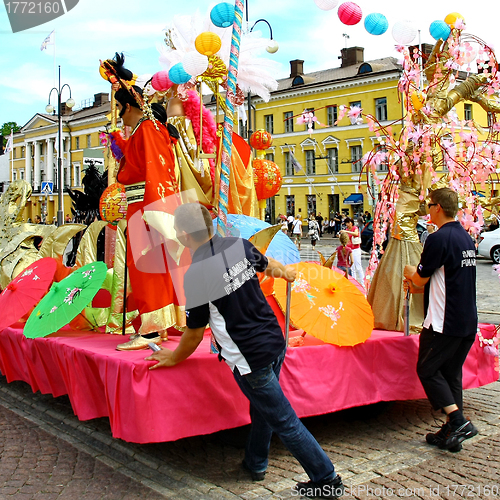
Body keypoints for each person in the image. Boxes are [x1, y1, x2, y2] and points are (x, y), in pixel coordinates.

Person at [146, 203, 344, 499]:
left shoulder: (197, 274)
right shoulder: (239, 245)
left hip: (250, 355)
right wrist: (284, 272)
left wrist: (171, 357)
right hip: (275, 341)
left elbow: (193, 334)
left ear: (185, 235)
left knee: (284, 420)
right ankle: (256, 461)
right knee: (263, 410)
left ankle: (325, 478)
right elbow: (269, 265)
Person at [404, 188, 478, 452]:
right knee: (450, 373)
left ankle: (458, 420)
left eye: (429, 205)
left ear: (437, 208)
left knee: (427, 369)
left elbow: (421, 278)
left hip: (443, 322)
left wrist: (410, 272)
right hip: (467, 319)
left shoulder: (438, 238)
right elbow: (446, 277)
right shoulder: (465, 237)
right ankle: (451, 430)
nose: (427, 210)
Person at [112, 80, 185, 351]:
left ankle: (152, 330)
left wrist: (158, 213)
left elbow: (156, 171)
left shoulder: (147, 128)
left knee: (147, 269)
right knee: (149, 268)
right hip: (145, 205)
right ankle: (157, 325)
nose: (119, 113)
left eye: (119, 107)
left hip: (147, 207)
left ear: (129, 106)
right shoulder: (149, 128)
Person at [341, 218, 364, 285]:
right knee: (352, 267)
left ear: (351, 222)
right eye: (346, 223)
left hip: (356, 249)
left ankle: (363, 283)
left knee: (358, 266)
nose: (347, 225)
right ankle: (354, 283)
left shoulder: (355, 228)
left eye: (348, 223)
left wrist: (346, 232)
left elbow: (356, 233)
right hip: (350, 250)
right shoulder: (347, 230)